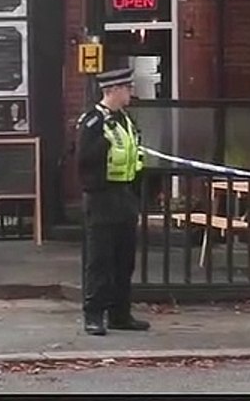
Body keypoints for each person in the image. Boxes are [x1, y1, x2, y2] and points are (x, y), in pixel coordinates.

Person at [76, 66, 151, 336]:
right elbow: (83, 159)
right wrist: (104, 144)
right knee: (100, 259)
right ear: (113, 90)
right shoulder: (94, 120)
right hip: (101, 198)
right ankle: (94, 314)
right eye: (127, 88)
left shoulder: (125, 120)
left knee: (124, 260)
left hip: (125, 197)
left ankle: (120, 314)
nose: (131, 92)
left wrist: (136, 196)